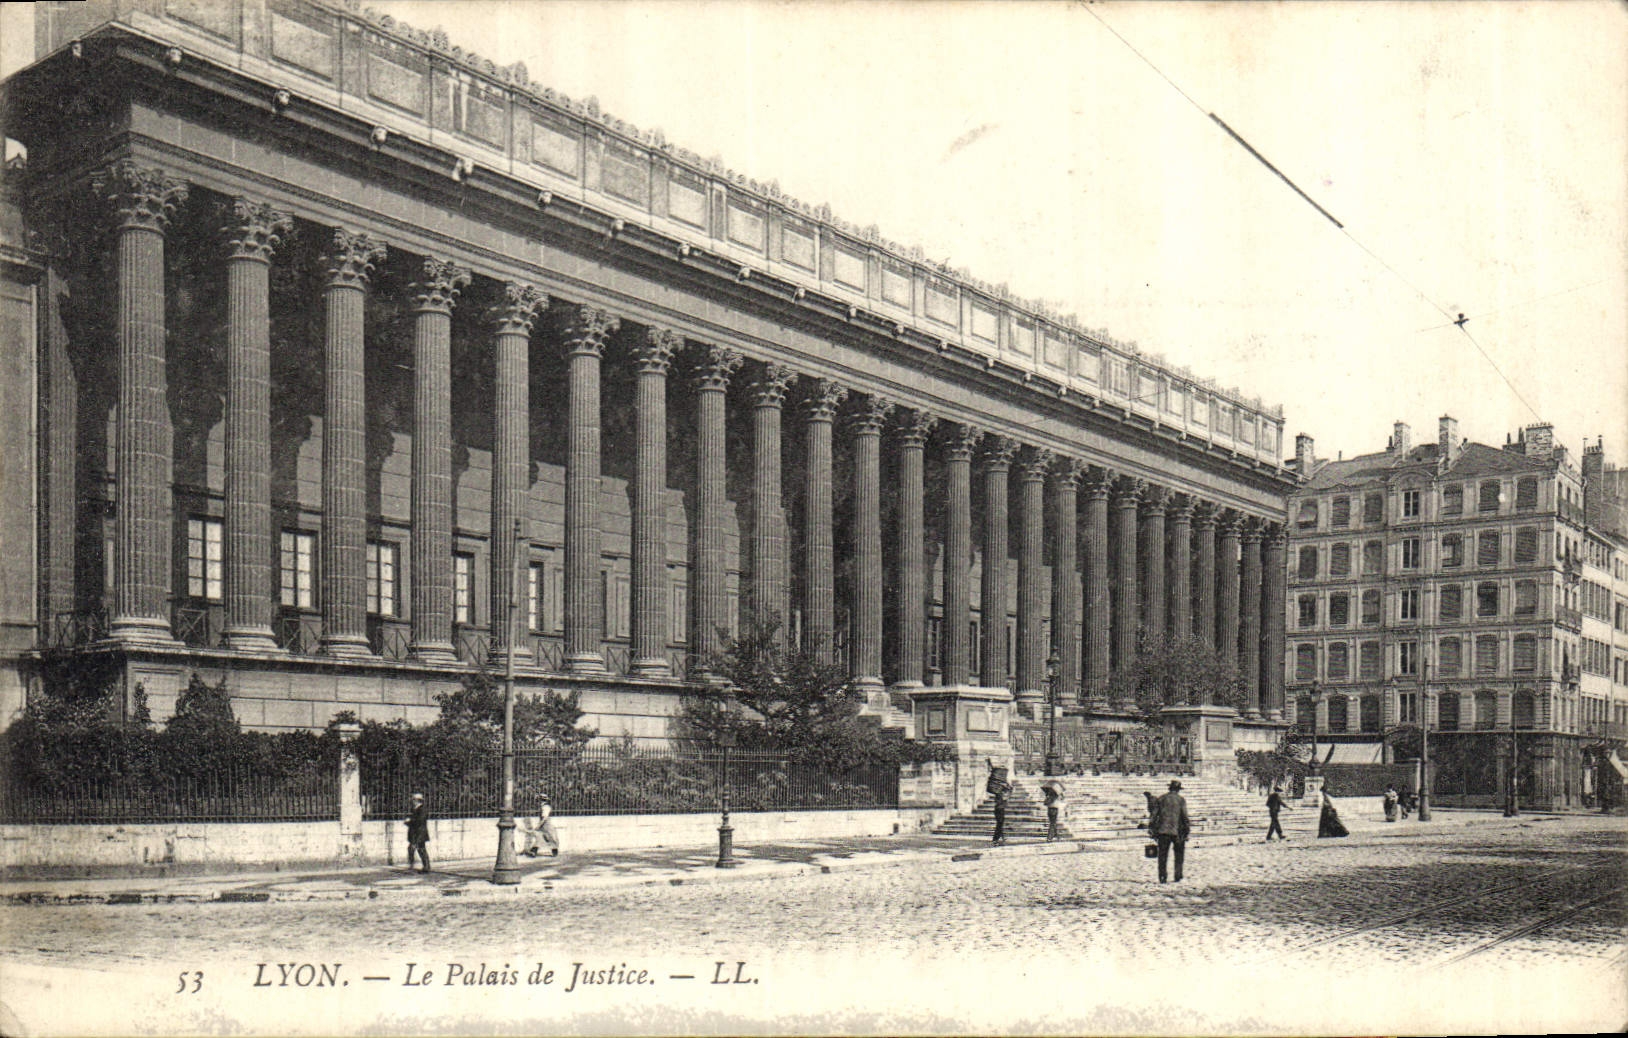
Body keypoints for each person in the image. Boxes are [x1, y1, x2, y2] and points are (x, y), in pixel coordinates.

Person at [1149, 779, 1191, 883]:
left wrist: (1152, 829)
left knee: (1162, 855)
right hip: (1177, 831)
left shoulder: (1161, 799)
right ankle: (1178, 875)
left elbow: (1154, 816)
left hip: (1163, 831)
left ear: (1170, 788)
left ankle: (1162, 877)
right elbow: (1185, 817)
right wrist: (1187, 830)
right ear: (1178, 790)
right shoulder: (1181, 800)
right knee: (1179, 855)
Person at [987, 763, 1012, 845]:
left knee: (1000, 823)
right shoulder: (1000, 794)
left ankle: (1002, 837)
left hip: (998, 809)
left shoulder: (999, 792)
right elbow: (1008, 792)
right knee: (1000, 824)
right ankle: (995, 839)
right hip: (999, 809)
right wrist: (1006, 786)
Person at [406, 792, 431, 873]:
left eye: (413, 800)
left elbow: (420, 821)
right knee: (419, 849)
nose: (412, 801)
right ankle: (425, 866)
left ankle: (416, 866)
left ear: (417, 800)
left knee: (414, 849)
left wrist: (409, 821)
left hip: (419, 833)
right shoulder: (415, 809)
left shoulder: (422, 809)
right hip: (415, 833)